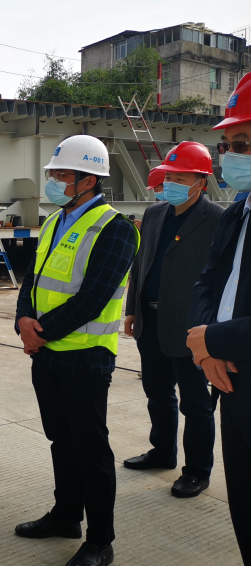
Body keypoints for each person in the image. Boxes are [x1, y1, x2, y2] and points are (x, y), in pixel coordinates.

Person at [13, 135, 139, 566]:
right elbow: (31, 280)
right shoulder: (53, 221)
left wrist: (39, 332)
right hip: (46, 354)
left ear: (89, 180)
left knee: (90, 449)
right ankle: (66, 515)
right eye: (53, 173)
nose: (53, 181)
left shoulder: (116, 228)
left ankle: (100, 541)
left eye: (61, 174)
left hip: (86, 357)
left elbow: (94, 298)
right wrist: (22, 319)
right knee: (60, 441)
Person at [122, 143, 221, 498]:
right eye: (170, 176)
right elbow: (141, 263)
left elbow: (220, 277)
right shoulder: (154, 214)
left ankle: (197, 471)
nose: (172, 183)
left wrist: (213, 328)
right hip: (150, 319)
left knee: (195, 403)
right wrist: (132, 308)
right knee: (157, 393)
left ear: (201, 183)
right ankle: (162, 452)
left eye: (181, 178)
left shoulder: (217, 219)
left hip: (190, 326)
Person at [188, 70, 251, 563]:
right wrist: (206, 347)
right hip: (229, 382)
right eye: (228, 145)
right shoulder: (237, 213)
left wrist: (214, 341)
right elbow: (207, 282)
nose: (230, 155)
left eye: (242, 144)